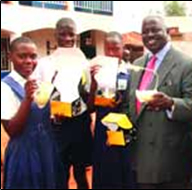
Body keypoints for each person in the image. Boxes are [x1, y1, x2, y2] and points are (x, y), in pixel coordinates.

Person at [124, 15, 192, 189]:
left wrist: (170, 103)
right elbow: (129, 104)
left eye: (155, 30)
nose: (150, 35)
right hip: (144, 159)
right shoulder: (137, 65)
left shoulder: (187, 64)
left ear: (167, 32)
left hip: (175, 161)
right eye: (145, 32)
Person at [33, 17, 93, 189]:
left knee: (81, 172)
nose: (67, 39)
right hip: (56, 126)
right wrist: (51, 110)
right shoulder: (44, 64)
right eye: (63, 34)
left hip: (80, 123)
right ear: (55, 35)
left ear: (76, 36)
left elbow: (88, 91)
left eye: (71, 34)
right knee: (61, 172)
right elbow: (38, 97)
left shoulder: (84, 62)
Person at [1, 37, 64, 189]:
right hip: (24, 153)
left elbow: (44, 119)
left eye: (33, 56)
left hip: (46, 149)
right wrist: (27, 99)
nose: (29, 61)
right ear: (10, 57)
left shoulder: (40, 84)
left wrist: (57, 117)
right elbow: (12, 130)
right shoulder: (5, 88)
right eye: (22, 56)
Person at [91, 31, 135, 189]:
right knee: (104, 166)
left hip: (123, 125)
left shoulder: (131, 72)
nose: (111, 53)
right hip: (103, 127)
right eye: (108, 49)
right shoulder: (96, 72)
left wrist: (122, 102)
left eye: (116, 49)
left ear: (123, 49)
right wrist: (94, 84)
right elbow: (90, 107)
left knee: (124, 166)